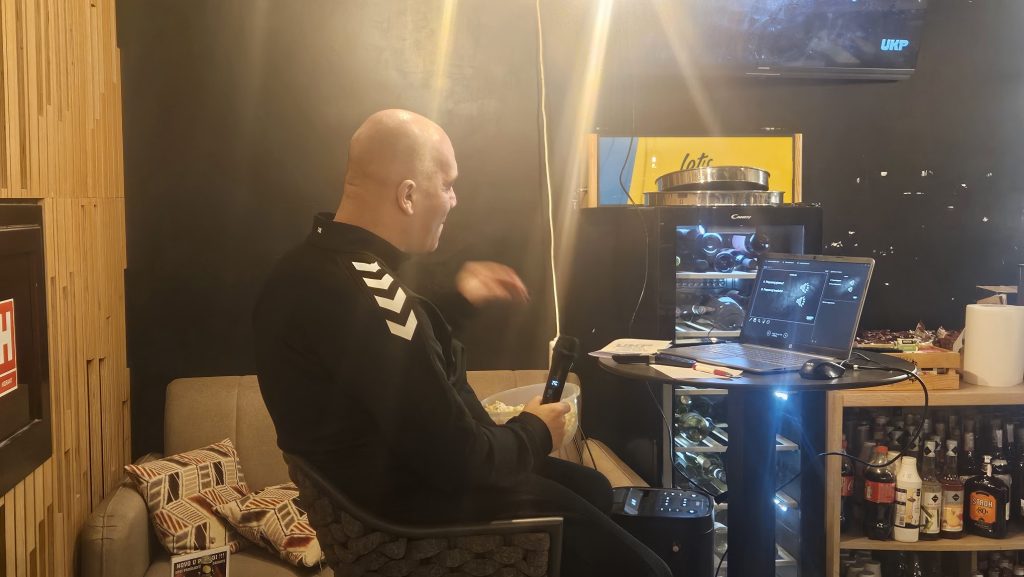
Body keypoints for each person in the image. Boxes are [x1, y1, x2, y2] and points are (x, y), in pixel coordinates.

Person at [253, 109, 672, 577]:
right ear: (408, 195)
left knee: (593, 487)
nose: (454, 200)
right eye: (448, 184)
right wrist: (536, 431)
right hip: (414, 519)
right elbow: (460, 460)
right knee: (651, 571)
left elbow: (383, 370)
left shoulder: (307, 270)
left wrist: (456, 304)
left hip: (394, 487)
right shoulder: (368, 296)